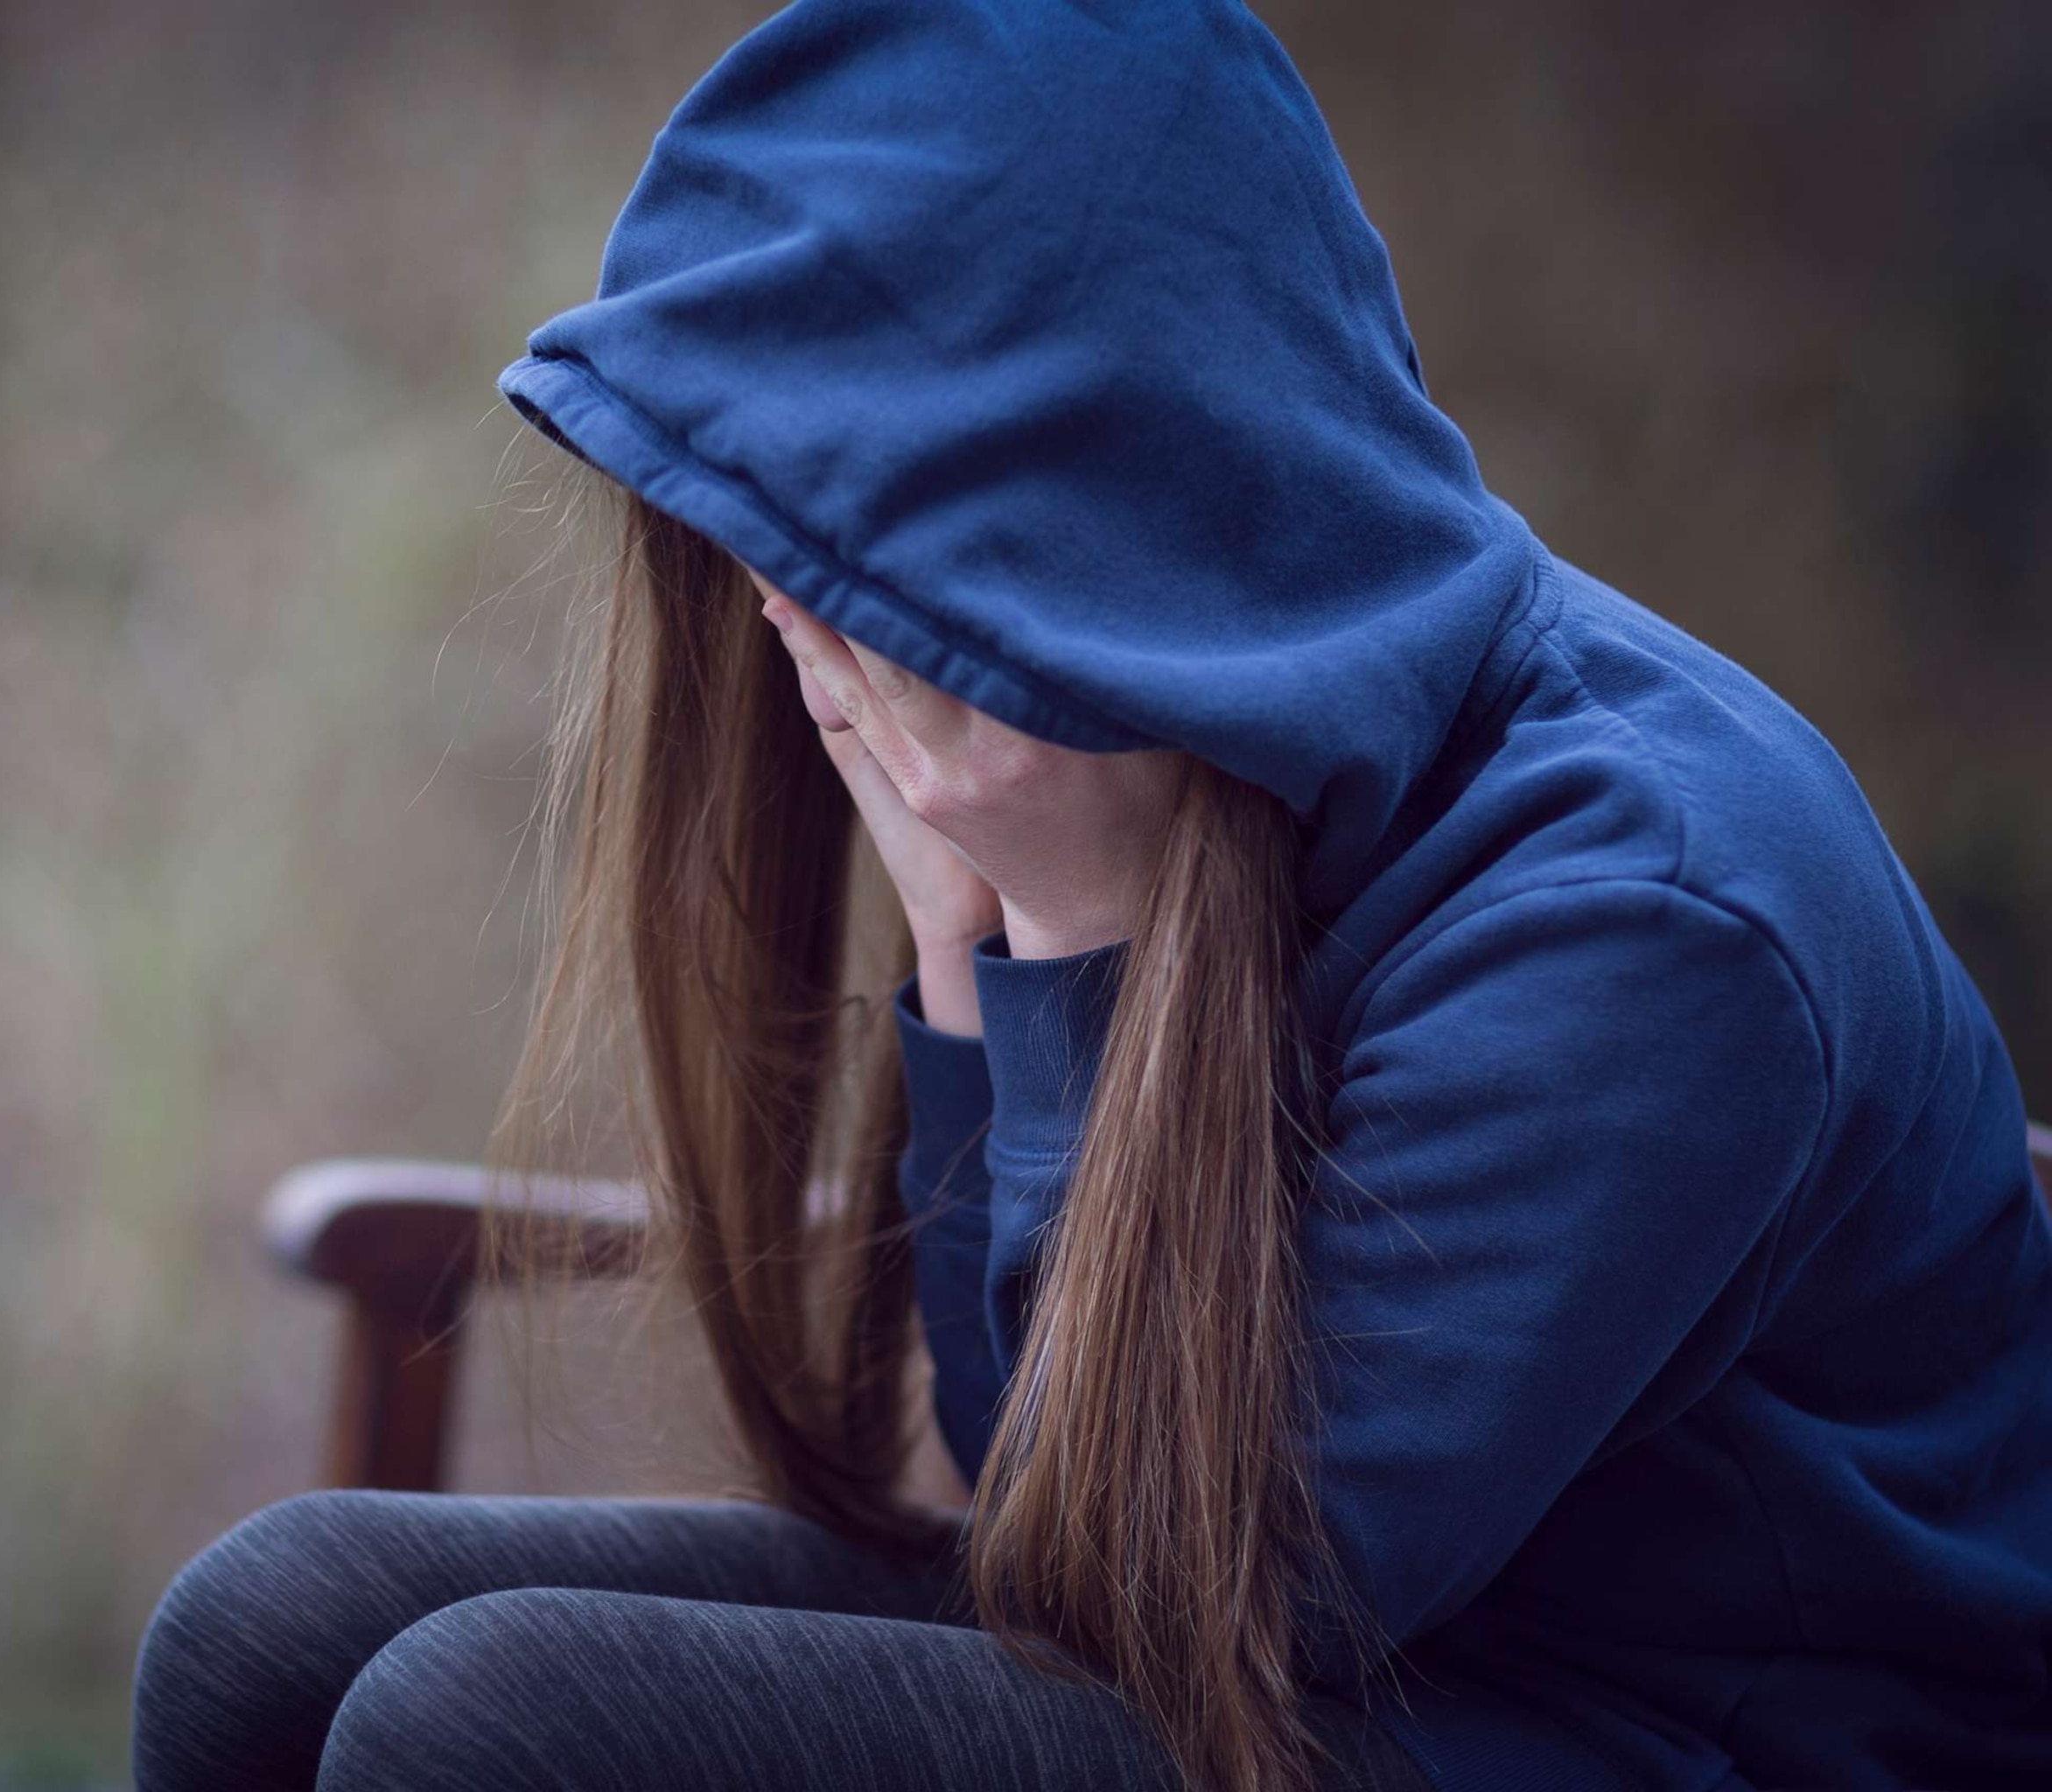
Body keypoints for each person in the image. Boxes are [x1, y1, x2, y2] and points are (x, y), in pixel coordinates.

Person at [130, 3, 2052, 1788]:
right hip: (1312, 1628)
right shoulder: (1195, 765)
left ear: (1109, 505)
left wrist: (1072, 939)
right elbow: (1026, 1473)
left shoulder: (1649, 916)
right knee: (275, 1617)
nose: (808, 637)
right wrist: (969, 949)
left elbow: (1190, 1610)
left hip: (1662, 1728)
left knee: (488, 1729)